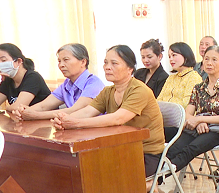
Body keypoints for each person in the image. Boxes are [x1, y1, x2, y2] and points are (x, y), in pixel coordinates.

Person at [52, 45, 164, 178]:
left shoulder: (139, 90)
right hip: (118, 148)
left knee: (99, 175)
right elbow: (87, 112)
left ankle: (148, 184)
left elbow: (118, 118)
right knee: (80, 169)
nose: (107, 67)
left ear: (130, 68)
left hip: (145, 154)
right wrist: (64, 120)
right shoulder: (108, 91)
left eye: (114, 63)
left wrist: (75, 123)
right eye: (105, 62)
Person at [165, 45, 219, 187]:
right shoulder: (198, 88)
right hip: (198, 127)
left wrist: (200, 119)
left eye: (214, 60)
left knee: (190, 149)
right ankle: (153, 176)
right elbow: (188, 113)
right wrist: (198, 122)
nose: (209, 63)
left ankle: (156, 180)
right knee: (173, 148)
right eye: (206, 59)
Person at [11, 43, 102, 120]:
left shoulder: (93, 83)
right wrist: (24, 112)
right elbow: (43, 106)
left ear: (83, 62)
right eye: (59, 61)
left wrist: (37, 115)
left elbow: (76, 110)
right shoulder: (66, 84)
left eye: (66, 60)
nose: (61, 65)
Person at [157, 42, 204, 141]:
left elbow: (186, 105)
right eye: (169, 56)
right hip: (163, 121)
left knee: (149, 134)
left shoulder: (194, 77)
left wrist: (166, 111)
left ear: (185, 56)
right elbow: (158, 101)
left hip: (181, 125)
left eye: (174, 55)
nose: (171, 59)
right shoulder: (171, 78)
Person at [0, 43, 51, 112]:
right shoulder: (7, 79)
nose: (0, 64)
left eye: (3, 60)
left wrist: (7, 108)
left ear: (19, 61)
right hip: (22, 118)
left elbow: (18, 107)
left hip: (46, 118)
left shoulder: (33, 77)